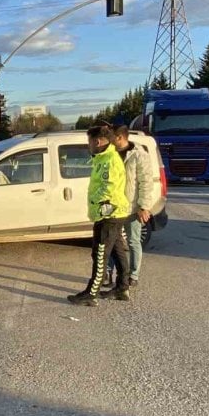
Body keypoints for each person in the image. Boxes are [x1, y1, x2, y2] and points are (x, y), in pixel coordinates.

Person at [68, 125, 132, 306]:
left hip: (108, 214)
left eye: (89, 141)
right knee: (118, 251)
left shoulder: (109, 160)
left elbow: (108, 186)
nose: (88, 145)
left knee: (100, 253)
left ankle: (91, 293)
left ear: (97, 141)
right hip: (114, 212)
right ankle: (122, 288)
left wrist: (96, 201)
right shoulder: (102, 157)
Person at [110, 125, 156, 287]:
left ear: (120, 137)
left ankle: (133, 275)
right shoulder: (111, 154)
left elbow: (146, 182)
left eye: (112, 137)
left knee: (133, 241)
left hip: (132, 207)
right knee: (111, 241)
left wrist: (144, 206)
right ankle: (109, 273)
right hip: (114, 207)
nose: (109, 140)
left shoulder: (139, 155)